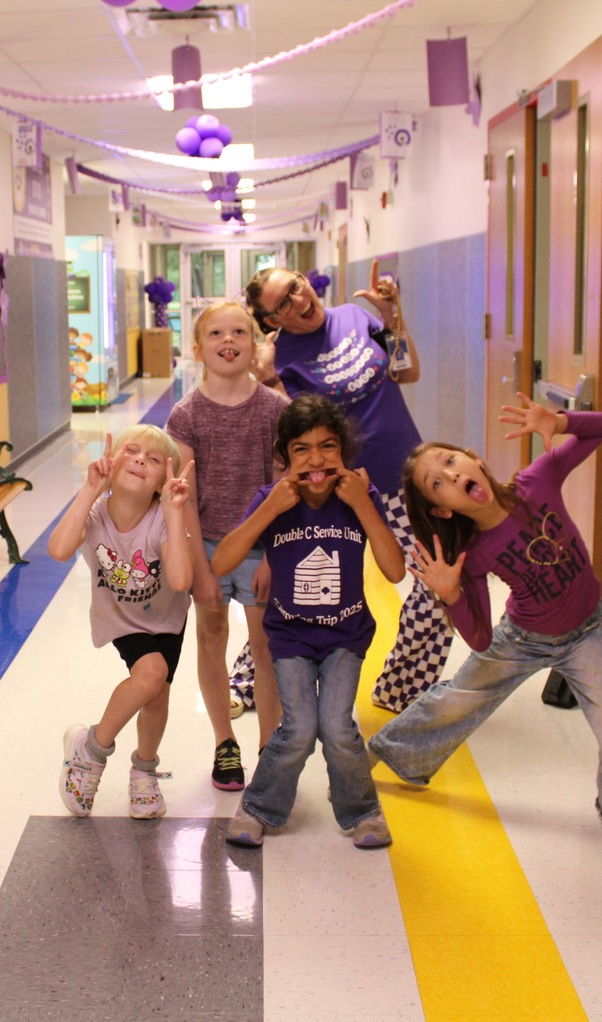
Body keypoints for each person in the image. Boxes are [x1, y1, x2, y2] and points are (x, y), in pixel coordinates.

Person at [368, 395, 602, 849]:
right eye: (437, 483)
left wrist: (559, 421)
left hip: (587, 633)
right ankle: (377, 757)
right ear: (442, 509)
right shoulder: (472, 551)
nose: (451, 475)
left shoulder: (537, 480)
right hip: (521, 639)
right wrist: (453, 596)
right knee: (454, 700)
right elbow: (481, 639)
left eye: (450, 462)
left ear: (474, 459)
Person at [238, 262, 452, 713]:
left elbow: (406, 372)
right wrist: (268, 379)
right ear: (272, 321)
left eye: (296, 287)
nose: (299, 300)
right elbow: (292, 434)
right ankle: (248, 681)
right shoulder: (280, 358)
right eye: (282, 304)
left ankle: (400, 686)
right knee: (302, 591)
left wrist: (392, 315)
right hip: (332, 492)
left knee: (442, 578)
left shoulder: (355, 317)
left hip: (402, 477)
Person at [212, 394, 406, 849]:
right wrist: (269, 509)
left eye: (327, 446)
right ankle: (258, 808)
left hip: (346, 635)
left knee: (336, 727)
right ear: (285, 456)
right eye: (302, 449)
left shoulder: (358, 496)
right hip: (290, 637)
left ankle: (363, 811)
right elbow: (222, 562)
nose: (316, 460)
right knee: (298, 729)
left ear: (343, 452)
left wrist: (363, 505)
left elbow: (395, 570)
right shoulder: (273, 499)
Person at [166, 301, 288, 791]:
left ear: (253, 345)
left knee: (266, 646)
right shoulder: (186, 415)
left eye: (239, 331)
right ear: (198, 349)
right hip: (209, 547)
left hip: (262, 548)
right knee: (211, 637)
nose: (228, 340)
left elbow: (284, 489)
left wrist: (274, 557)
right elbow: (185, 501)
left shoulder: (276, 409)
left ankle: (269, 746)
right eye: (216, 333)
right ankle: (225, 742)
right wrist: (200, 569)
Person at [48, 425, 194, 821]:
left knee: (157, 695)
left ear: (162, 483)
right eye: (131, 451)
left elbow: (182, 580)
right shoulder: (96, 513)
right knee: (152, 674)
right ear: (112, 463)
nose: (141, 460)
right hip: (121, 617)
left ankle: (144, 770)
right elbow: (58, 549)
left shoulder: (162, 517)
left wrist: (175, 512)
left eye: (153, 459)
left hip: (167, 617)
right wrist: (90, 489)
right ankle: (91, 750)